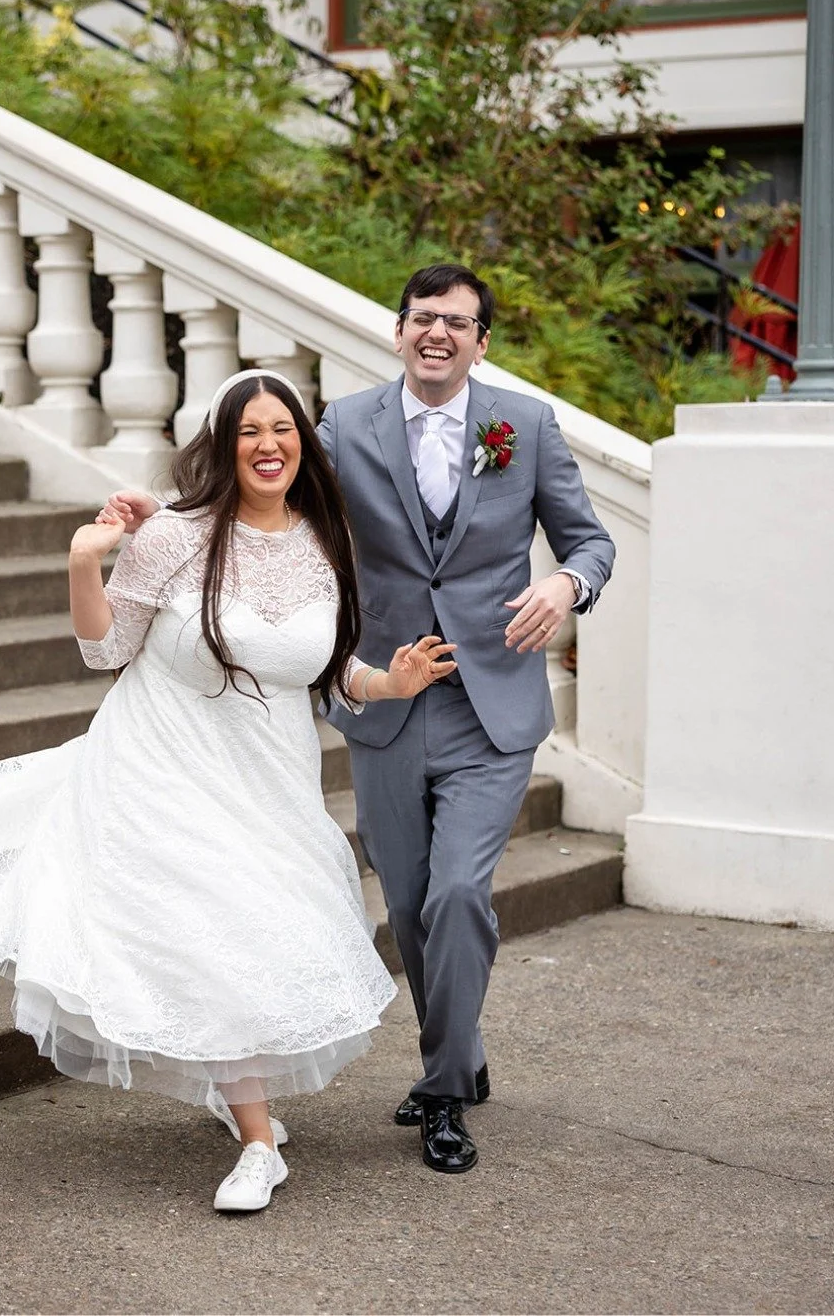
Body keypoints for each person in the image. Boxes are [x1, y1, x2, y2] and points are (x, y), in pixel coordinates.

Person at [102, 264, 615, 1176]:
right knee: (410, 901)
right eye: (424, 317)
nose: (438, 333)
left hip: (492, 703)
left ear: (482, 341)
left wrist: (567, 583)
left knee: (458, 893)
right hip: (384, 698)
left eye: (458, 321)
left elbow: (590, 539)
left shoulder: (526, 426)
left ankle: (443, 1090)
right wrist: (170, 521)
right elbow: (272, 494)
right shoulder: (343, 424)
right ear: (399, 330)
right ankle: (461, 1046)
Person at [0, 369, 459, 1214]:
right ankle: (259, 1145)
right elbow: (105, 650)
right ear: (223, 446)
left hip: (270, 781)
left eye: (282, 429)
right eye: (249, 431)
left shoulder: (325, 542)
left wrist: (391, 683)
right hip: (162, 765)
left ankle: (235, 1093)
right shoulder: (173, 537)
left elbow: (330, 673)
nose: (268, 445)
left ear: (303, 445)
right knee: (213, 933)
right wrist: (83, 562)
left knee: (250, 936)